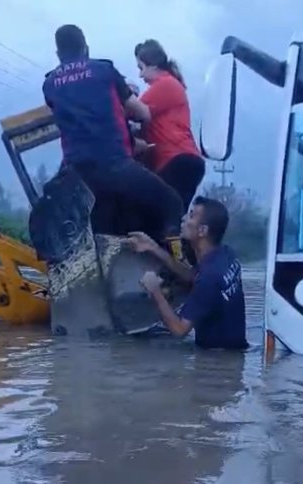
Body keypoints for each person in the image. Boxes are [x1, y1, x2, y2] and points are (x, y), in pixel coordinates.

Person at [42, 25, 184, 241]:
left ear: (58, 54)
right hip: (115, 164)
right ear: (85, 48)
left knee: (103, 232)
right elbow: (142, 114)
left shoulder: (49, 84)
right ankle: (172, 265)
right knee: (172, 203)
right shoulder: (104, 71)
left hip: (78, 175)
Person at [129, 196, 248, 350]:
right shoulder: (224, 255)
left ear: (202, 231)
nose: (184, 218)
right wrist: (153, 247)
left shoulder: (210, 278)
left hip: (216, 361)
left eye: (191, 215)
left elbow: (179, 330)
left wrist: (155, 290)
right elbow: (193, 277)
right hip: (234, 353)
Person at [126, 39, 205, 213]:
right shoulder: (171, 85)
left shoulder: (165, 84)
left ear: (153, 66)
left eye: (141, 68)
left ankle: (168, 240)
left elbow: (135, 111)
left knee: (159, 215)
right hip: (184, 160)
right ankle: (173, 241)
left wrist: (121, 94)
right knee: (171, 218)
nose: (140, 76)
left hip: (176, 158)